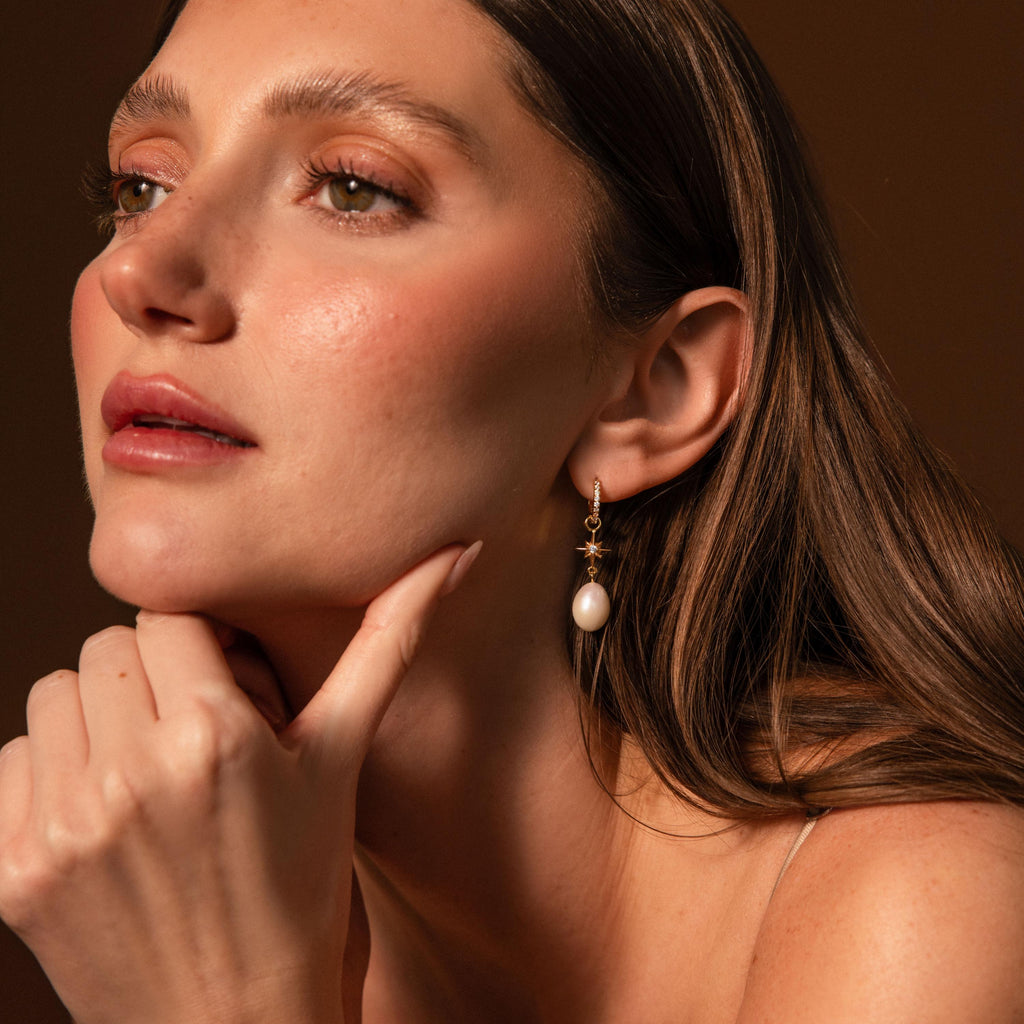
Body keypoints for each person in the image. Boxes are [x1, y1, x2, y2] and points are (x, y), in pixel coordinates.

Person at [2, 0, 1022, 1020]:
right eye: (141, 184)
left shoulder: (925, 907)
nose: (137, 271)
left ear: (652, 390)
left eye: (354, 188)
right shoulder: (190, 881)